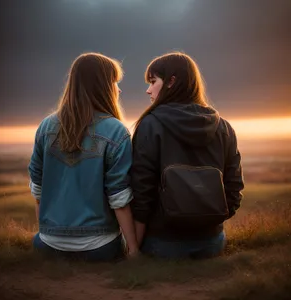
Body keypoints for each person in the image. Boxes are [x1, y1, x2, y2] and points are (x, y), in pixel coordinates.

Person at [130, 52, 244, 259]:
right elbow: (234, 185)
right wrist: (210, 222)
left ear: (171, 81)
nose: (148, 90)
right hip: (212, 242)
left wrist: (133, 249)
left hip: (163, 242)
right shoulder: (223, 127)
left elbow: (141, 189)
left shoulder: (150, 125)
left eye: (153, 81)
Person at [28, 53, 138, 261]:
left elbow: (37, 190)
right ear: (102, 86)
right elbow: (119, 199)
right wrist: (133, 250)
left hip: (47, 245)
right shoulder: (116, 131)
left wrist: (47, 233)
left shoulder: (45, 127)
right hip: (100, 247)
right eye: (114, 82)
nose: (119, 89)